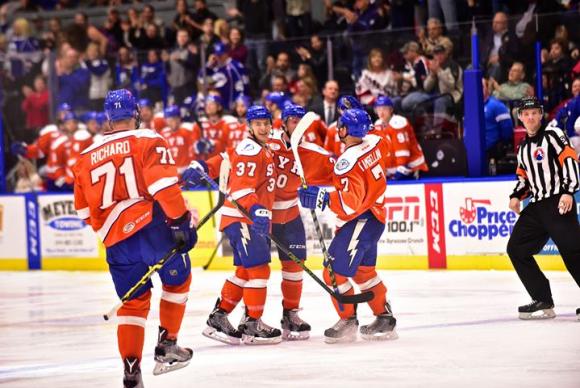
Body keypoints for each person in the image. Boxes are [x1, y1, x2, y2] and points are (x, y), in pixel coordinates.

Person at [72, 89, 197, 387]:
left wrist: (115, 231)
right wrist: (180, 222)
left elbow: (83, 214)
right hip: (153, 228)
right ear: (136, 114)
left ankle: (132, 370)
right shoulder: (148, 139)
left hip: (116, 242)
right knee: (178, 281)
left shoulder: (85, 157)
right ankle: (167, 346)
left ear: (107, 118)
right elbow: (164, 189)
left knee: (133, 303)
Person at [183, 105, 282, 345]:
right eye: (258, 124)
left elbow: (226, 159)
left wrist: (205, 166)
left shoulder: (258, 147)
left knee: (244, 272)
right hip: (243, 217)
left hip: (243, 218)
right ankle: (252, 323)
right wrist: (256, 209)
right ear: (249, 126)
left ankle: (218, 318)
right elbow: (243, 188)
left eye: (266, 123)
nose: (263, 127)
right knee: (259, 270)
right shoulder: (251, 148)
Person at [298, 108, 397, 343]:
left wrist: (322, 198)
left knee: (333, 272)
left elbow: (350, 204)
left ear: (347, 131)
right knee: (364, 273)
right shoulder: (374, 141)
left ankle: (348, 320)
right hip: (375, 218)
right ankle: (384, 318)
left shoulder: (347, 162)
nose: (338, 128)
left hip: (360, 220)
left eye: (342, 125)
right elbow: (384, 141)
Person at [506, 97, 580, 321]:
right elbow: (523, 177)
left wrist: (569, 191)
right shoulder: (523, 147)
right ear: (520, 117)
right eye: (525, 114)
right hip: (537, 206)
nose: (530, 117)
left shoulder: (553, 135)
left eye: (534, 113)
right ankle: (542, 299)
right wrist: (516, 196)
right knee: (516, 248)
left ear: (541, 115)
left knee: (573, 251)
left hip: (559, 200)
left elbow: (570, 160)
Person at [268, 103, 335, 340]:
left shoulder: (313, 153)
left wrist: (317, 192)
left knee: (295, 265)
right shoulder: (268, 144)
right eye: (293, 120)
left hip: (290, 215)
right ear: (284, 123)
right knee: (254, 269)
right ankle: (249, 317)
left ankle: (290, 314)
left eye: (301, 121)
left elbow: (341, 172)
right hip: (264, 215)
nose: (297, 125)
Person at [373, 96, 428, 179]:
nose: (381, 112)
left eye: (384, 109)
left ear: (391, 110)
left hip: (410, 166)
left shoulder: (399, 122)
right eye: (379, 109)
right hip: (392, 169)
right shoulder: (377, 124)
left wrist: (401, 167)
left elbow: (402, 149)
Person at [160, 105, 197, 175]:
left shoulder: (188, 129)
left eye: (175, 118)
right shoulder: (163, 133)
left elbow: (196, 147)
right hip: (171, 171)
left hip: (187, 169)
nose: (173, 122)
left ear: (179, 118)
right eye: (170, 119)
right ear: (165, 120)